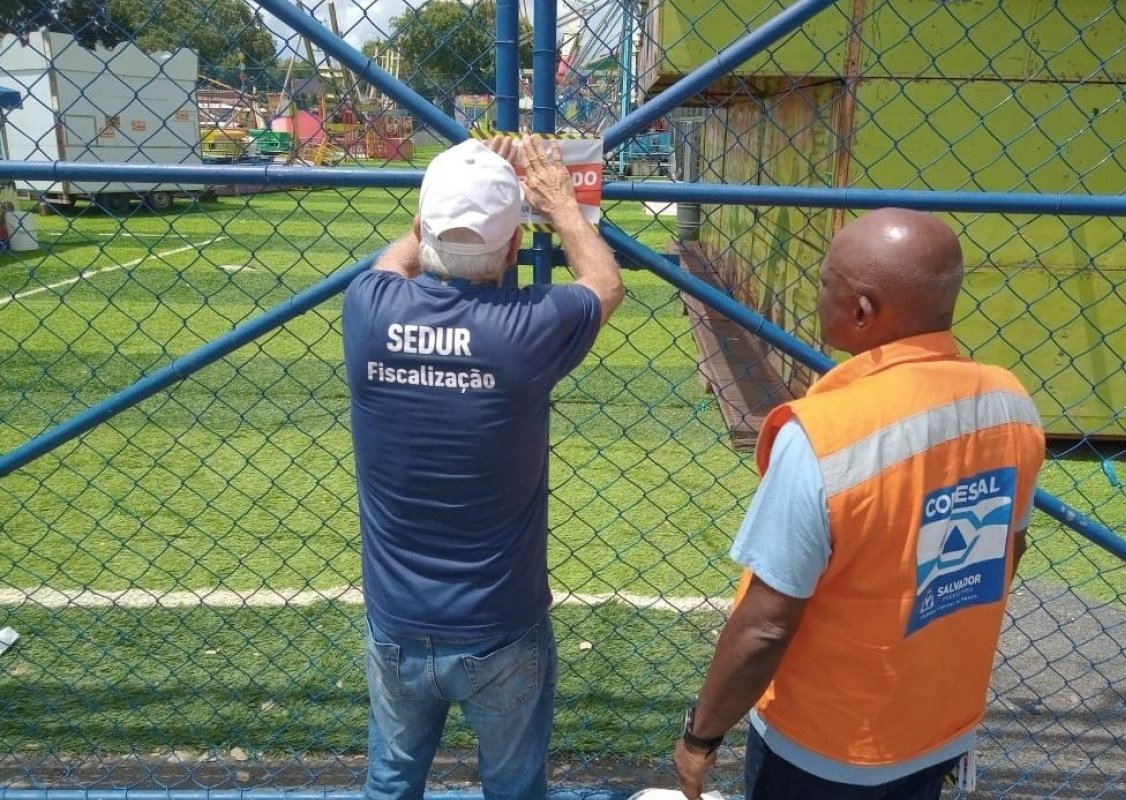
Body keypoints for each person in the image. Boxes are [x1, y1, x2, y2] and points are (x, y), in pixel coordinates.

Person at [673, 208, 1045, 800]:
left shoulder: (823, 435)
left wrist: (700, 739)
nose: (819, 294)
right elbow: (1005, 552)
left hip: (826, 746)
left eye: (826, 283)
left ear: (861, 311)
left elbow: (765, 625)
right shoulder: (1010, 403)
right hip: (939, 723)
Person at [343, 134, 623, 800]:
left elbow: (398, 258)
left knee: (390, 778)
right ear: (511, 248)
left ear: (421, 225)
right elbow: (604, 284)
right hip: (500, 625)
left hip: (397, 621)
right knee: (513, 784)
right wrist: (561, 205)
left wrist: (460, 172)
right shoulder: (526, 330)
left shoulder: (368, 311)